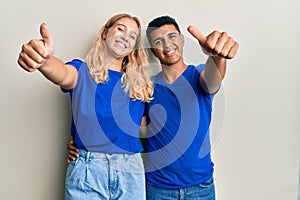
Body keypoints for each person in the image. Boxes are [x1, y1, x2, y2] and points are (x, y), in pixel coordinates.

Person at [68, 15, 239, 199]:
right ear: (153, 50)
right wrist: (82, 144)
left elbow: (213, 80)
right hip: (158, 188)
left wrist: (216, 57)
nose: (167, 45)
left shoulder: (198, 77)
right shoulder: (145, 87)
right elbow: (128, 123)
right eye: (158, 41)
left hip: (200, 186)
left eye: (172, 36)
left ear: (182, 40)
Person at [17, 13, 154, 200]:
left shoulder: (139, 86)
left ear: (133, 48)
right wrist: (44, 61)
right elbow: (62, 73)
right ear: (105, 33)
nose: (125, 37)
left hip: (130, 170)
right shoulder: (81, 71)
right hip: (88, 171)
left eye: (132, 36)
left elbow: (145, 129)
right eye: (120, 29)